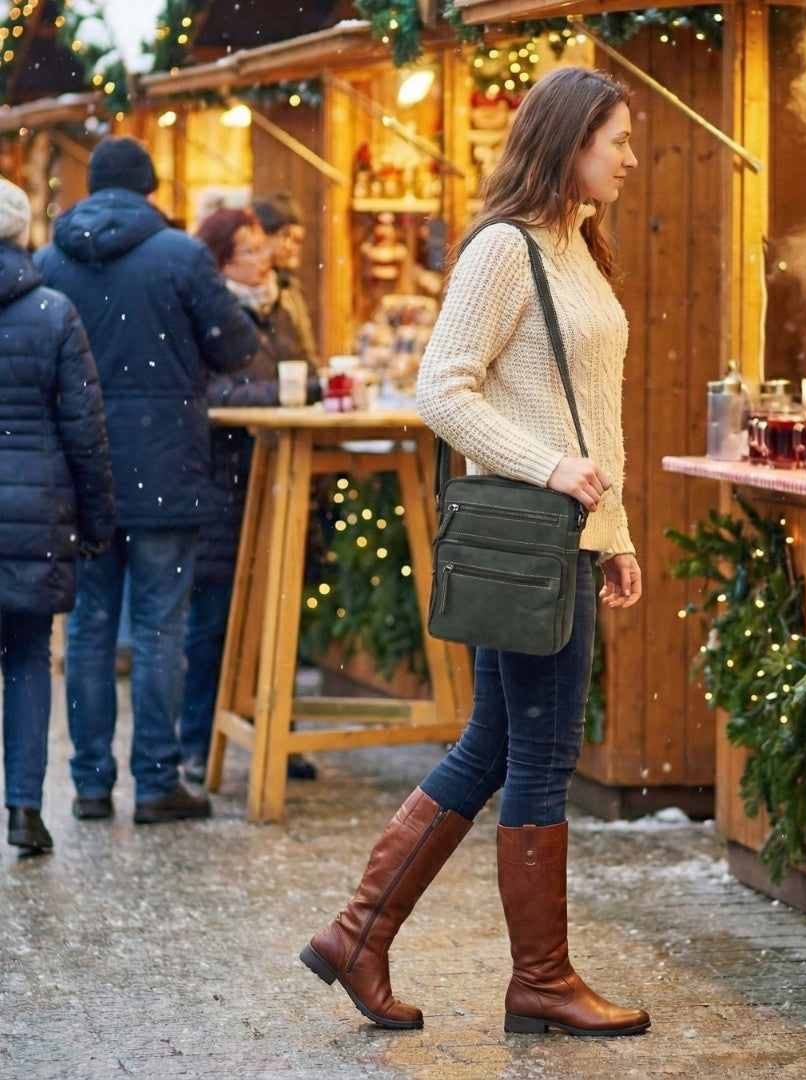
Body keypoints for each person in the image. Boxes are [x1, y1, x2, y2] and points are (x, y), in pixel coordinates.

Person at [299, 66, 648, 1037]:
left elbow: (593, 417)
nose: (628, 157)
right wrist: (551, 473)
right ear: (568, 142)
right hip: (530, 543)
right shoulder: (505, 249)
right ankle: (539, 979)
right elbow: (443, 391)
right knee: (538, 756)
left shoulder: (579, 247)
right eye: (615, 139)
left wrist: (611, 532)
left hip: (568, 541)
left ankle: (358, 932)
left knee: (494, 745)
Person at [34, 136, 258, 826]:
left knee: (91, 627)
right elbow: (235, 347)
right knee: (162, 626)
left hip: (82, 470)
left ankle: (90, 784)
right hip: (167, 464)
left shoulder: (50, 260)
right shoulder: (179, 255)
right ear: (151, 187)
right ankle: (158, 781)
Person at [178, 208, 320, 786]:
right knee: (213, 618)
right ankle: (195, 741)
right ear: (221, 261)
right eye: (250, 251)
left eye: (265, 248)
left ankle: (276, 735)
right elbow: (213, 391)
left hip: (282, 476)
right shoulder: (206, 308)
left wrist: (308, 384)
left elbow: (306, 366)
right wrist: (291, 392)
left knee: (280, 612)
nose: (265, 260)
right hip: (224, 480)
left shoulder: (287, 302)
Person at [0, 178, 115, 855]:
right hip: (35, 515)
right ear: (22, 234)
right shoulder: (52, 311)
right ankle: (23, 810)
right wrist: (97, 523)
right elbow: (85, 432)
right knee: (25, 659)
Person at [252, 192, 317, 362]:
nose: (293, 247)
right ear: (262, 236)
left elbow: (306, 353)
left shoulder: (289, 289)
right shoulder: (248, 292)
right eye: (286, 236)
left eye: (298, 241)